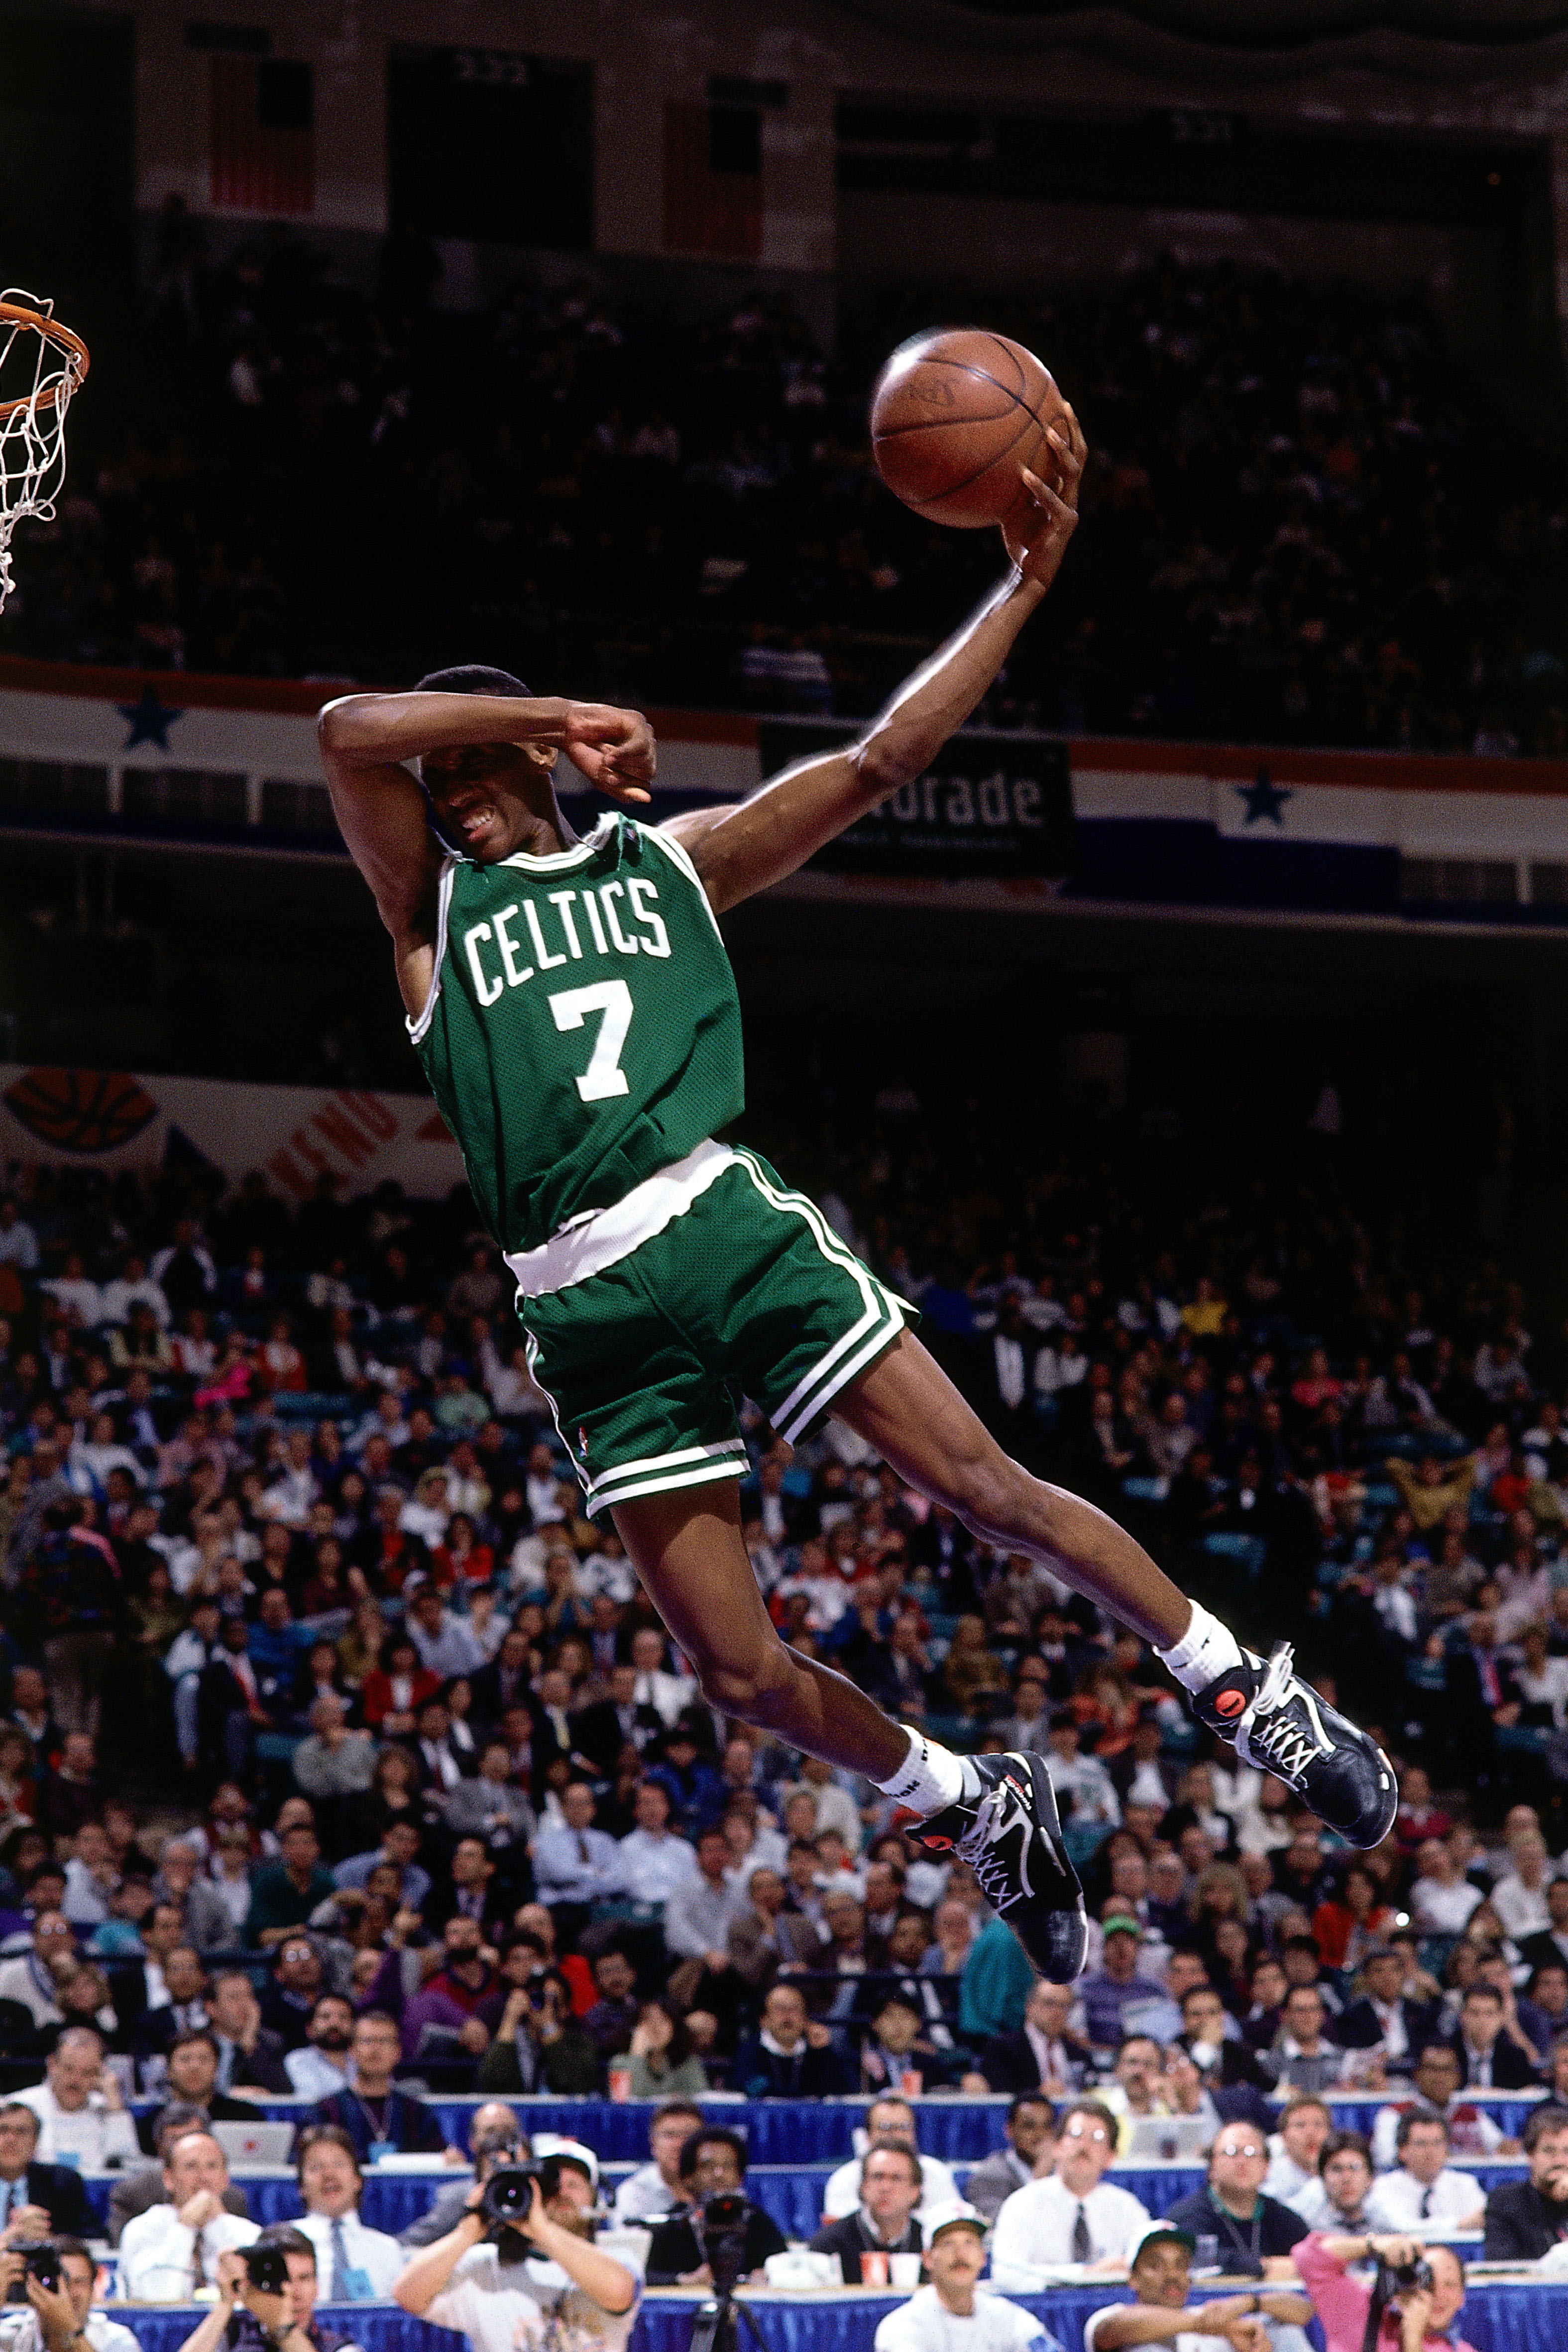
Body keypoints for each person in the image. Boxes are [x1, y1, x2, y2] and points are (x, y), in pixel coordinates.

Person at [317, 435, 1393, 1988]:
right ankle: (967, 1802)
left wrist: (1020, 583)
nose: (460, 796)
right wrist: (544, 711)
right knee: (736, 1671)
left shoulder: (672, 864)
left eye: (483, 774)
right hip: (584, 1307)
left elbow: (884, 758)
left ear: (539, 779)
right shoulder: (430, 918)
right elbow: (350, 730)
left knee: (988, 1488)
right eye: (452, 777)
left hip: (721, 1226)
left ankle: (1246, 1689)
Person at [393, 2152, 640, 2352]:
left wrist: (541, 2230)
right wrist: (469, 2230)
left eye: (574, 2185)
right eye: (553, 2185)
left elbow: (618, 2292)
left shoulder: (619, 2259)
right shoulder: (484, 2266)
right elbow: (407, 2294)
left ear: (595, 2200)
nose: (563, 2192)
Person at [991, 2101, 1152, 2284]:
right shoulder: (1023, 2204)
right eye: (1076, 2135)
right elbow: (1005, 2274)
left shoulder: (1127, 2208)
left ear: (1110, 2157)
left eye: (1097, 2138)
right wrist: (1086, 2274)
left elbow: (1148, 2269)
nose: (1084, 2146)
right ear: (1057, 2147)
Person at [1084, 2223, 1300, 2352]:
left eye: (1181, 2265)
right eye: (1157, 2266)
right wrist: (1214, 2326)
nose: (1172, 2275)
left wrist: (1248, 2303)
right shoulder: (1110, 2316)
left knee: (1288, 2333)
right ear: (1134, 2278)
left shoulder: (1211, 2317)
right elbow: (1116, 2329)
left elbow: (1304, 2309)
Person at [875, 2203, 1060, 2352]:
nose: (960, 2254)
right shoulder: (901, 2326)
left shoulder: (1007, 2316)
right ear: (928, 2259)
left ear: (983, 2257)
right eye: (948, 2244)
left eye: (969, 2243)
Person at [1163, 2126, 1312, 2291]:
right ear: (1211, 2166)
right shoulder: (1187, 2216)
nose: (1242, 2162)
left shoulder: (1285, 2220)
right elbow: (1197, 2258)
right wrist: (1263, 2267)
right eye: (1232, 2152)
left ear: (1266, 2168)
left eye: (1251, 2153)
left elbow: (1311, 2257)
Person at [119, 2129, 261, 2301]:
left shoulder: (250, 2234)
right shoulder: (142, 2229)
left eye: (212, 2166)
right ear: (168, 2179)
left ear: (225, 2179)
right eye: (191, 2167)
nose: (203, 2177)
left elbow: (252, 2296)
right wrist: (184, 2227)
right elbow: (157, 2298)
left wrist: (219, 2224)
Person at [174, 2224, 359, 2352]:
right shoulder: (232, 2337)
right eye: (284, 2278)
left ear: (317, 2287)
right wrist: (225, 2302)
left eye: (304, 2279)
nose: (293, 2292)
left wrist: (283, 2330)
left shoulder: (338, 2347)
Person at [644, 2129, 787, 2284]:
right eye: (707, 2166)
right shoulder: (671, 2226)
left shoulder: (758, 2222)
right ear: (687, 2178)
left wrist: (769, 2275)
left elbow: (787, 2269)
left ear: (740, 2178)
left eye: (728, 2166)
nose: (719, 2174)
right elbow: (641, 2276)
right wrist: (683, 2280)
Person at [1293, 2231, 1475, 2352]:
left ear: (1462, 2298)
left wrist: (1412, 2340)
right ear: (1406, 2281)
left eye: (1450, 2285)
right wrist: (1373, 2244)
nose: (1438, 2294)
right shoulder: (1360, 2313)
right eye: (1428, 2282)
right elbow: (1307, 2258)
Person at [311, 2012, 455, 2162]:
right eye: (367, 2041)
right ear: (352, 2050)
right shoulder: (327, 2110)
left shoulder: (417, 2112)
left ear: (398, 2052)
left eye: (384, 2041)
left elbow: (439, 2159)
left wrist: (450, 2159)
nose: (375, 2049)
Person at [292, 2127, 405, 2300]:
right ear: (301, 2187)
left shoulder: (388, 2250)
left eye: (339, 2164)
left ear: (358, 2181)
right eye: (316, 2167)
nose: (329, 2174)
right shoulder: (284, 2245)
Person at [399, 2109, 529, 2250]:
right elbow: (407, 2245)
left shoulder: (542, 2195)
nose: (502, 2138)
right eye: (491, 2131)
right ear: (473, 2143)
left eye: (509, 2130)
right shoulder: (460, 2198)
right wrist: (466, 2231)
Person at [821, 2096, 960, 2226]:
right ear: (868, 2135)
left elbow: (953, 2225)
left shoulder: (937, 2172)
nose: (896, 2135)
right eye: (886, 2127)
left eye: (904, 2127)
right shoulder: (843, 2179)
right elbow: (842, 2232)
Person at [13, 2029, 139, 2170]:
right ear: (52, 2065)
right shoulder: (19, 2107)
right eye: (69, 2069)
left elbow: (128, 2166)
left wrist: (114, 2103)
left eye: (87, 2073)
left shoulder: (108, 2110)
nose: (76, 2080)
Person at [0, 2234, 138, 2352]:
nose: (69, 2293)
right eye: (60, 2282)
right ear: (34, 2285)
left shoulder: (116, 2340)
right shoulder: (11, 2337)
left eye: (80, 2282)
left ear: (93, 2289)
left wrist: (70, 2330)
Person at [811, 2142, 926, 2283]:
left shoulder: (928, 2242)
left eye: (896, 2178)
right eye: (878, 2177)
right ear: (864, 2186)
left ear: (915, 2191)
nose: (885, 2187)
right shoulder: (831, 2242)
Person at [730, 1980, 856, 2098]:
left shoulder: (817, 2052)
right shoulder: (749, 2053)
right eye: (780, 2009)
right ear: (764, 2020)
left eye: (795, 2009)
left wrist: (825, 2052)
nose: (788, 2016)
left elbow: (844, 2091)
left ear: (805, 2019)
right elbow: (745, 2088)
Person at [1364, 2115, 1486, 2233]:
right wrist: (1459, 2225)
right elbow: (1401, 2227)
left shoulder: (1466, 2184)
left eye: (1437, 2143)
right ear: (1403, 2151)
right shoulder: (1384, 2186)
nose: (1430, 2152)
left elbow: (1482, 2220)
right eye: (1421, 2144)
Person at [1482, 2101, 1568, 2258]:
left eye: (1567, 2151)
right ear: (1530, 2155)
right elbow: (1502, 2265)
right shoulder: (1505, 2202)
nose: (1560, 2161)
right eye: (1549, 2151)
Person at [0, 2104, 96, 2241]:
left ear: (36, 2142)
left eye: (21, 2132)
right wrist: (7, 2238)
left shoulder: (62, 2182)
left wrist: (48, 2240)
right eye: (2, 2131)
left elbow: (91, 2240)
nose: (11, 2140)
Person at [980, 1979, 1092, 2096]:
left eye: (1064, 2006)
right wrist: (1038, 2096)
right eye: (1049, 2004)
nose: (1057, 2012)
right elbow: (1001, 2093)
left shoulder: (1078, 2052)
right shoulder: (1003, 2047)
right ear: (1030, 2007)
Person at [965, 2096, 1055, 2226]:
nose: (1040, 2135)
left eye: (1047, 2126)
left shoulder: (1067, 2172)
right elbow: (1004, 2227)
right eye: (1029, 2126)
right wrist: (1040, 2177)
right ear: (1009, 2130)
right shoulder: (987, 2178)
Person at [610, 2100, 702, 2226]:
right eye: (670, 2135)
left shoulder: (716, 2186)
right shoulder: (633, 2194)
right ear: (653, 2144)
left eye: (688, 2136)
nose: (680, 2145)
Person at [1287, 2135, 1377, 2234]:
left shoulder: (1385, 2232)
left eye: (1355, 2168)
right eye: (1337, 2169)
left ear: (1370, 2178)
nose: (1346, 2178)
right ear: (1323, 2178)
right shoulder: (1308, 2232)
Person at [284, 1998, 357, 2103]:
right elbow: (313, 2100)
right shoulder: (298, 2060)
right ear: (309, 2028)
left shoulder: (362, 2061)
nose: (335, 2023)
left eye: (343, 2017)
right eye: (325, 2017)